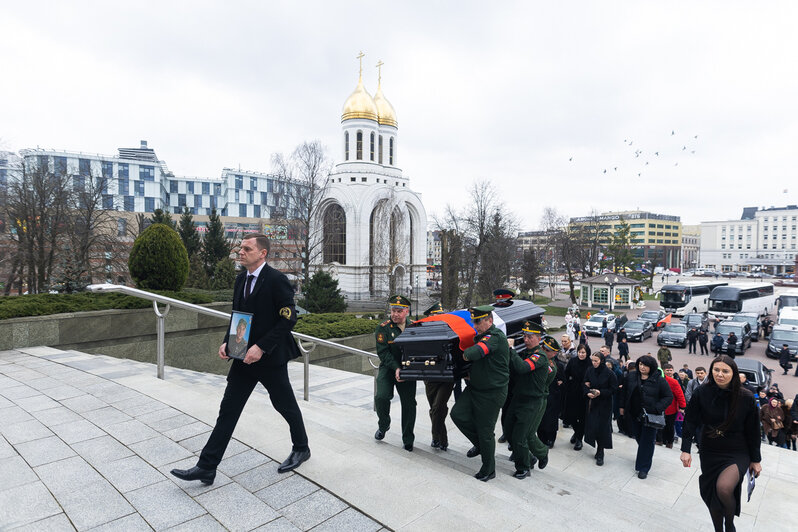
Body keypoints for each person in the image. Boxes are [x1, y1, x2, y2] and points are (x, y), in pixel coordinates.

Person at [171, 234, 309, 485]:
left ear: (262, 253)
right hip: (242, 357)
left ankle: (301, 447)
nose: (240, 252)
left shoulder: (277, 280)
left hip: (269, 358)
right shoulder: (241, 279)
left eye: (247, 248)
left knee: (284, 405)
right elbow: (238, 315)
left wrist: (261, 347)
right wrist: (228, 341)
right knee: (228, 411)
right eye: (240, 248)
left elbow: (288, 319)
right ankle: (207, 466)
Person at [680, 355, 762, 532]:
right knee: (712, 494)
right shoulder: (702, 392)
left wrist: (756, 459)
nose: (720, 374)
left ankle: (729, 523)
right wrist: (685, 449)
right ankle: (719, 529)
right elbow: (690, 421)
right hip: (710, 448)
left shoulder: (746, 397)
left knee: (724, 488)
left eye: (725, 371)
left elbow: (754, 430)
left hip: (737, 450)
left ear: (733, 373)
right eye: (716, 370)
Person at [451, 306, 510, 482]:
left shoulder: (495, 337)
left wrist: (465, 355)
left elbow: (474, 352)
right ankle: (480, 445)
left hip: (492, 393)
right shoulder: (482, 336)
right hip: (476, 388)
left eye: (478, 321)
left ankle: (488, 469)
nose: (475, 325)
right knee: (457, 414)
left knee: (485, 431)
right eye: (474, 321)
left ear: (489, 321)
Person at [504, 328, 558, 479]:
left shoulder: (540, 357)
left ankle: (524, 466)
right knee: (508, 431)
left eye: (530, 337)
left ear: (539, 338)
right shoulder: (528, 353)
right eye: (525, 336)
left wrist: (511, 349)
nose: (526, 340)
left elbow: (522, 368)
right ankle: (529, 456)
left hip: (531, 402)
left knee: (521, 436)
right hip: (517, 398)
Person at [374, 295, 416, 451]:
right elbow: (383, 353)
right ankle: (383, 425)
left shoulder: (414, 326)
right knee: (381, 397)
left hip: (408, 369)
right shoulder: (383, 327)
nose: (395, 314)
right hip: (388, 367)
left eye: (399, 311)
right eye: (393, 311)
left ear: (407, 312)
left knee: (409, 404)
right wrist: (396, 368)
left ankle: (408, 438)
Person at [621, 355, 672, 479]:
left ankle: (643, 468)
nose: (642, 367)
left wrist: (656, 408)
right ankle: (645, 454)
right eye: (640, 364)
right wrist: (622, 407)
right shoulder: (632, 376)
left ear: (651, 367)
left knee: (647, 441)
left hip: (650, 416)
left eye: (645, 365)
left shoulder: (659, 380)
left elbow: (668, 397)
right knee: (639, 437)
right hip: (634, 413)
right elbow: (624, 392)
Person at [421, 302, 454, 451]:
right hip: (430, 376)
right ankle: (442, 439)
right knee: (436, 409)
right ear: (429, 317)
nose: (439, 318)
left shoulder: (450, 330)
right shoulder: (422, 332)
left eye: (441, 315)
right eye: (435, 316)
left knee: (437, 406)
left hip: (446, 376)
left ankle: (436, 437)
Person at [583, 352, 618, 466]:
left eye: (596, 361)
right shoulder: (590, 370)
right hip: (593, 403)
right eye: (592, 360)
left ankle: (600, 451)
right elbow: (584, 384)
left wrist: (600, 392)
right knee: (593, 425)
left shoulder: (609, 373)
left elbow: (613, 389)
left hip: (605, 404)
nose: (594, 363)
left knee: (602, 428)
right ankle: (595, 445)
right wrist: (587, 393)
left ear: (601, 361)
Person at [537, 337, 566, 449]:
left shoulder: (558, 366)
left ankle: (550, 439)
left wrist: (560, 383)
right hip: (540, 396)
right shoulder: (539, 361)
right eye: (543, 348)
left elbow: (563, 382)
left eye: (547, 350)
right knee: (540, 420)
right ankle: (541, 438)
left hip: (553, 397)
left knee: (551, 420)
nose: (544, 351)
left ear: (554, 353)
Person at [564, 344, 592, 450]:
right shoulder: (573, 361)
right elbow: (566, 373)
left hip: (584, 393)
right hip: (573, 391)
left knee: (582, 417)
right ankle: (576, 432)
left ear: (587, 353)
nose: (581, 354)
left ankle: (579, 439)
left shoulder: (590, 363)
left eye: (583, 352)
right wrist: (567, 384)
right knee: (571, 416)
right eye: (580, 352)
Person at [662, 364, 687, 449]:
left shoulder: (675, 381)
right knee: (660, 425)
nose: (669, 372)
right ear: (664, 370)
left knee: (669, 426)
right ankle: (660, 440)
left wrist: (682, 407)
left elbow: (680, 395)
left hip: (671, 408)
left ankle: (669, 442)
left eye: (670, 370)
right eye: (667, 370)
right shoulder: (660, 379)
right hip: (660, 407)